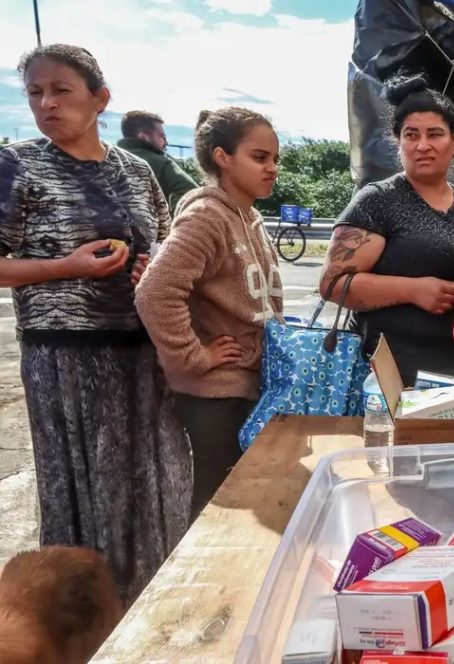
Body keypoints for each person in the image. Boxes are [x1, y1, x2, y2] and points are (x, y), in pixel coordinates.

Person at [0, 44, 190, 602]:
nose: (47, 104)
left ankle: (155, 598)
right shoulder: (18, 164)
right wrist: (68, 266)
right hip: (66, 357)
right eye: (35, 93)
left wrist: (149, 267)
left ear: (99, 99)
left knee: (161, 478)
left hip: (141, 351)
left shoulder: (135, 170)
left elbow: (160, 242)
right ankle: (86, 614)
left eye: (61, 90)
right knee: (91, 490)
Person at [135, 107, 283, 521]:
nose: (271, 168)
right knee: (216, 510)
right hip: (213, 394)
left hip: (248, 386)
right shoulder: (206, 217)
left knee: (245, 503)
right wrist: (196, 357)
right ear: (223, 157)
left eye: (275, 159)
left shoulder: (249, 217)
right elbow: (155, 293)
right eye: (259, 157)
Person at [320, 75, 454, 386]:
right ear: (399, 143)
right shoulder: (378, 200)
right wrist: (413, 290)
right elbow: (332, 284)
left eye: (435, 134)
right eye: (411, 135)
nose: (423, 145)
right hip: (390, 379)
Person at [117, 110, 198, 216]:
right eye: (162, 137)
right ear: (144, 136)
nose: (166, 143)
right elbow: (193, 193)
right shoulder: (161, 163)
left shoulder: (105, 159)